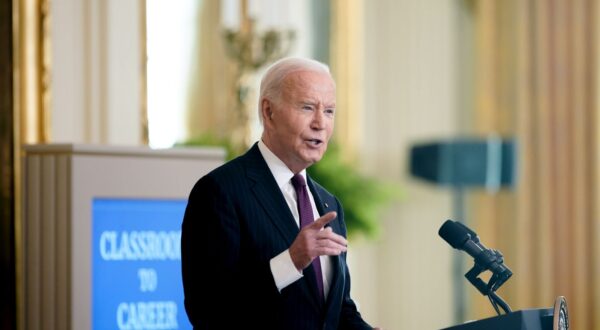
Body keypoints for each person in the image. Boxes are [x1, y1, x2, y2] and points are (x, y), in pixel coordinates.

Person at [181, 57, 376, 329]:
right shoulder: (219, 192)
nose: (320, 123)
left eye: (329, 111)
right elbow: (208, 310)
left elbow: (335, 308)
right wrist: (290, 261)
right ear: (269, 112)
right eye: (308, 107)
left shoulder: (329, 204)